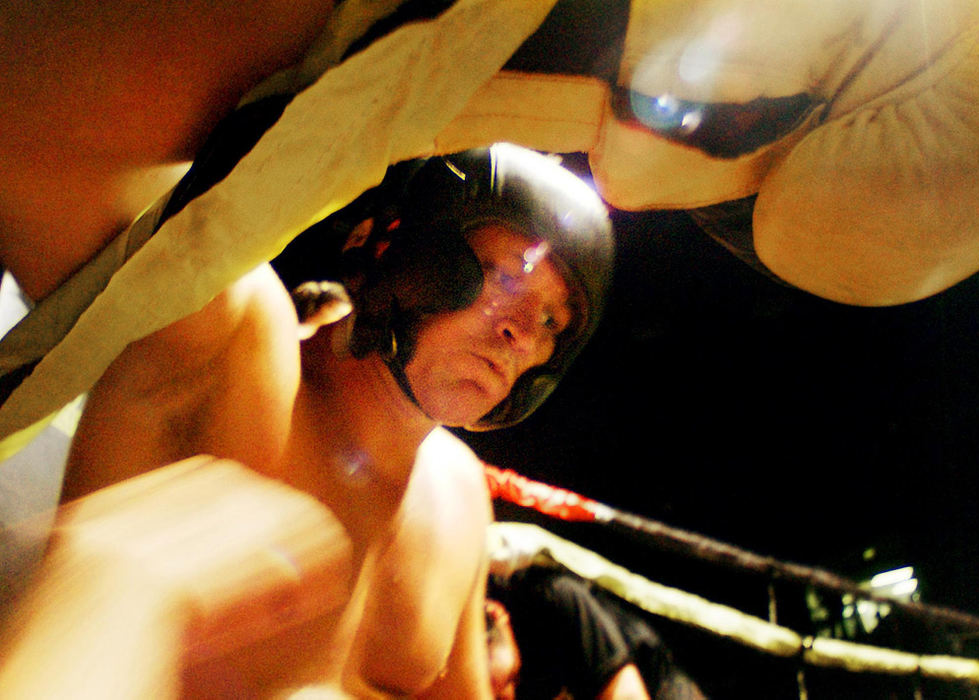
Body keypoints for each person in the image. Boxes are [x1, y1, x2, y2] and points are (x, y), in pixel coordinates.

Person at [52, 143, 615, 698]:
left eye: (551, 319)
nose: (521, 332)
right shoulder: (232, 338)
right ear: (394, 247)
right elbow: (66, 162)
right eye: (504, 277)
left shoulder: (461, 494)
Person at [485, 565, 708, 700]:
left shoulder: (552, 597)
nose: (508, 696)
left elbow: (628, 696)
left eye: (508, 682)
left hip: (653, 684)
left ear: (498, 615)